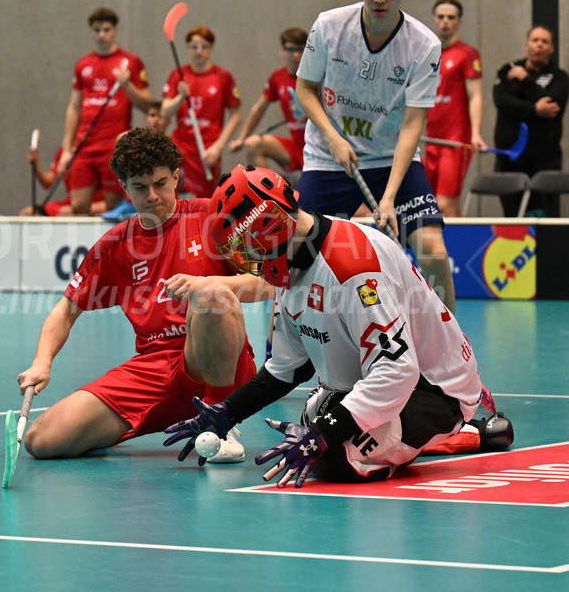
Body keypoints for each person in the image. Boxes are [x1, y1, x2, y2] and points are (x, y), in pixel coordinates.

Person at [165, 165, 513, 487]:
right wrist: (226, 413)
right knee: (317, 414)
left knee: (333, 458)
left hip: (434, 387)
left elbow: (398, 371)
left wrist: (322, 436)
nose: (247, 259)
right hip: (381, 376)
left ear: (269, 227)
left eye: (247, 246)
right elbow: (288, 368)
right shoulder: (291, 261)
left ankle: (464, 428)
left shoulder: (355, 269)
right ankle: (409, 442)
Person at [18, 128, 269, 463]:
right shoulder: (115, 245)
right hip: (156, 367)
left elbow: (266, 282)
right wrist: (41, 362)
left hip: (218, 360)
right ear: (124, 187)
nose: (152, 195)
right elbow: (66, 309)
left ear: (176, 176)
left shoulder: (212, 216)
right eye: (139, 187)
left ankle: (218, 423)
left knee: (209, 294)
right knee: (43, 439)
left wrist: (207, 283)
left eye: (160, 183)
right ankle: (149, 421)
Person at [292, 0, 457, 314]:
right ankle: (281, 352)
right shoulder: (329, 26)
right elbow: (304, 89)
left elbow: (413, 123)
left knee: (432, 248)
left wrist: (388, 197)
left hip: (390, 159)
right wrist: (333, 138)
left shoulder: (424, 45)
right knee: (299, 252)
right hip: (328, 158)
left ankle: (450, 342)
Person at [60, 7, 151, 215]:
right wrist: (67, 149)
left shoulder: (130, 62)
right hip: (85, 146)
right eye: (97, 29)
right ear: (91, 31)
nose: (102, 35)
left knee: (113, 206)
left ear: (115, 31)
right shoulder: (83, 64)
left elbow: (147, 105)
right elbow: (74, 108)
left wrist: (128, 85)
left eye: (107, 29)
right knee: (78, 205)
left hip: (112, 146)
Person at [492, 25, 568, 217]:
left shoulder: (559, 78)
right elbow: (502, 101)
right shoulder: (508, 70)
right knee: (512, 220)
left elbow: (552, 107)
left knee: (544, 218)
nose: (539, 45)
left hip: (544, 161)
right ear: (527, 44)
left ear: (551, 48)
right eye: (535, 40)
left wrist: (527, 81)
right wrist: (534, 108)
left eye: (545, 41)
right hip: (509, 160)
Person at [161, 25, 242, 198]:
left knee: (203, 198)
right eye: (194, 47)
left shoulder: (222, 77)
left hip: (207, 147)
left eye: (204, 47)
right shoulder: (178, 75)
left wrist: (218, 147)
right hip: (180, 141)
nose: (199, 51)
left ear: (211, 48)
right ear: (187, 48)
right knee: (160, 163)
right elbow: (164, 112)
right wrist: (180, 98)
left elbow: (236, 115)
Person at [423, 0, 485, 218]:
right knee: (429, 205)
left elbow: (475, 96)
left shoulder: (467, 54)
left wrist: (475, 134)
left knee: (446, 204)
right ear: (434, 19)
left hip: (455, 142)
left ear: (459, 21)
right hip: (430, 141)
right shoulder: (427, 54)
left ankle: (455, 251)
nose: (445, 22)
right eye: (441, 17)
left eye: (451, 17)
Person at [231, 27, 309, 179]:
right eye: (291, 49)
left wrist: (311, 112)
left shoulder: (314, 75)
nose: (296, 55)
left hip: (318, 148)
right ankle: (265, 196)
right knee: (252, 144)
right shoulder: (277, 77)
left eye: (300, 49)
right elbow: (258, 109)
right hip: (295, 146)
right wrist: (241, 138)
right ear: (282, 50)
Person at [100, 101, 169, 222]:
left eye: (160, 116)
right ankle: (131, 204)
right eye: (152, 115)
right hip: (133, 202)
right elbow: (120, 139)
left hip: (162, 200)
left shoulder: (175, 144)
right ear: (145, 119)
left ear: (169, 120)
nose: (156, 120)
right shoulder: (135, 142)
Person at [19, 145, 106, 217]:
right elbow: (48, 182)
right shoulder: (64, 153)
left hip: (100, 203)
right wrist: (35, 164)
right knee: (26, 213)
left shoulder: (100, 149)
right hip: (71, 203)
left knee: (67, 212)